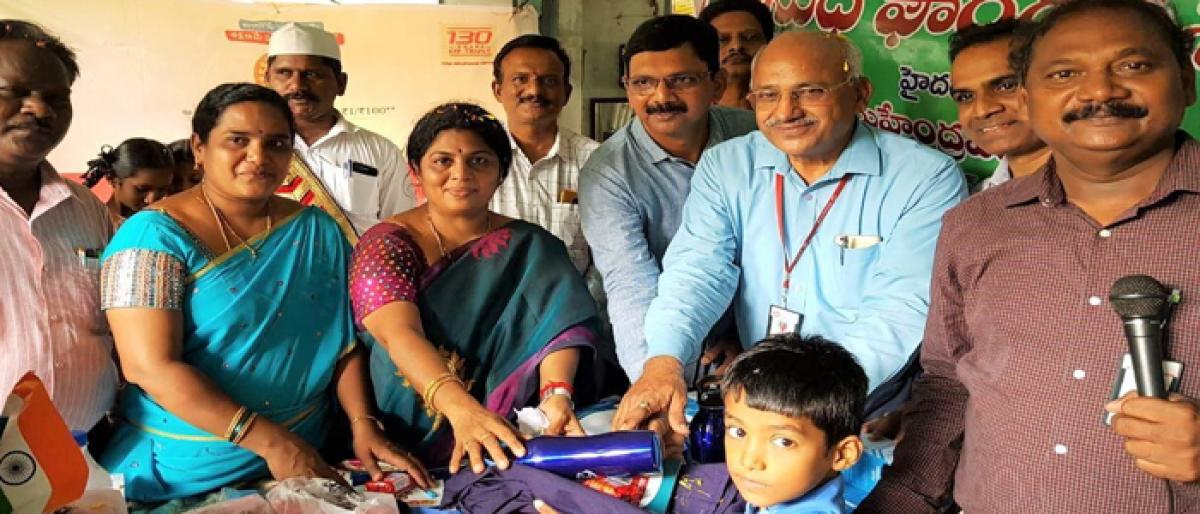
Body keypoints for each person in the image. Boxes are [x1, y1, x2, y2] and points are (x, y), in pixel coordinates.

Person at [858, 1, 1200, 511]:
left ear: (1186, 83)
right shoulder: (975, 225)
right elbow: (950, 382)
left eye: (1133, 66)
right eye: (1064, 73)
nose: (1100, 91)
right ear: (1033, 97)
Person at [613, 31, 966, 449]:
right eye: (767, 95)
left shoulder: (924, 178)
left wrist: (804, 402)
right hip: (757, 404)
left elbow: (899, 308)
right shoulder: (728, 165)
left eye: (810, 91)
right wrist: (664, 362)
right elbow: (697, 270)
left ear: (860, 94)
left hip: (864, 408)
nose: (786, 111)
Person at [97, 83, 429, 502]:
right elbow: (149, 367)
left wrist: (363, 422)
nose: (258, 157)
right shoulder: (150, 236)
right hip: (186, 463)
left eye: (276, 143)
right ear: (199, 147)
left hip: (310, 454)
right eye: (238, 140)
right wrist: (271, 442)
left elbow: (344, 344)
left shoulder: (316, 229)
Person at [350, 103, 602, 475]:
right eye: (442, 161)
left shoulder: (533, 246)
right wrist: (462, 410)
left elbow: (561, 330)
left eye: (480, 161)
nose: (461, 174)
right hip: (407, 433)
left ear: (501, 172)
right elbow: (397, 334)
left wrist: (556, 395)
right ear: (415, 170)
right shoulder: (386, 245)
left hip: (514, 433)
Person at [580, 15, 756, 384]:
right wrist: (655, 378)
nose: (661, 97)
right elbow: (631, 285)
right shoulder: (609, 171)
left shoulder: (753, 139)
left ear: (716, 84)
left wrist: (751, 338)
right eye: (643, 83)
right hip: (645, 350)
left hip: (745, 344)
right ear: (627, 88)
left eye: (682, 80)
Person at [532, 333, 868, 514]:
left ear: (842, 455)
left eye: (783, 441)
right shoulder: (783, 492)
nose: (749, 460)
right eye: (738, 432)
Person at [0, 20, 118, 434]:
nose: (40, 110)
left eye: (57, 98)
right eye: (12, 93)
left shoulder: (86, 209)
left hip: (84, 456)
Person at [265, 22, 413, 241]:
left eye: (312, 74)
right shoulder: (252, 149)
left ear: (341, 83)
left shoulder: (380, 151)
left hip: (353, 273)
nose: (296, 86)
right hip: (275, 274)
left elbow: (399, 228)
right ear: (267, 80)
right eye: (284, 74)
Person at [489, 34, 598, 276]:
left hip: (574, 306)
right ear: (498, 90)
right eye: (520, 79)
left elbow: (609, 254)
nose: (534, 90)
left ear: (566, 92)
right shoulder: (476, 161)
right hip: (492, 308)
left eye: (548, 81)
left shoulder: (596, 161)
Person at [948, 19, 1050, 191]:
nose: (982, 110)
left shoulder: (1098, 198)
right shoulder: (979, 201)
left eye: (1006, 86)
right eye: (965, 96)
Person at [81, 138, 175, 228]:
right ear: (112, 178)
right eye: (142, 189)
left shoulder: (167, 224)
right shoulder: (92, 225)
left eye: (162, 190)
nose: (152, 200)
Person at [699, 0, 775, 110]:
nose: (736, 46)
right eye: (722, 40)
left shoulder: (786, 112)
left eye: (750, 37)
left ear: (769, 44)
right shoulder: (692, 117)